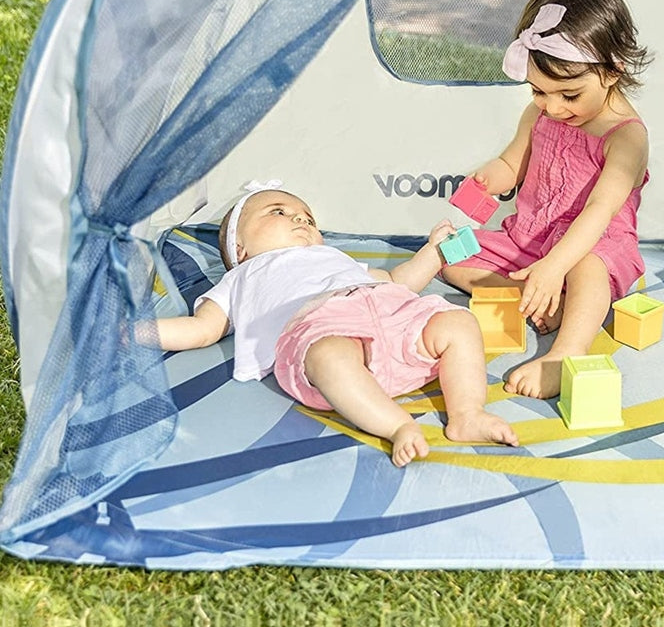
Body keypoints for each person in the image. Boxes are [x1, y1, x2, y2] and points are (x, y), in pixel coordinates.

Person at [155, 184, 519, 467]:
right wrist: (139, 332)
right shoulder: (242, 278)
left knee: (458, 322)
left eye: (308, 218)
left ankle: (467, 414)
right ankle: (395, 425)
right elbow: (202, 329)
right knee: (329, 355)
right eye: (279, 212)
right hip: (323, 328)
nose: (301, 220)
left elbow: (399, 281)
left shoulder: (334, 258)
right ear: (240, 248)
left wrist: (434, 253)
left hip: (392, 319)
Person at [442, 0, 652, 399]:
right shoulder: (538, 114)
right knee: (449, 257)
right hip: (531, 236)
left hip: (591, 245)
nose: (553, 107)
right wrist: (488, 178)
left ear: (613, 71)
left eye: (569, 95)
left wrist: (556, 266)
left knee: (587, 267)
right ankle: (539, 298)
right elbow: (512, 164)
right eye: (539, 90)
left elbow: (599, 211)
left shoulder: (626, 137)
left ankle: (565, 352)